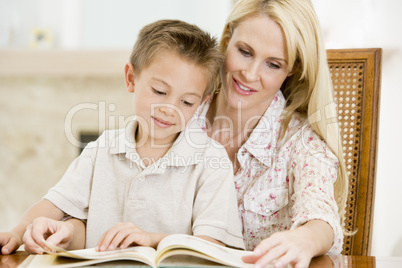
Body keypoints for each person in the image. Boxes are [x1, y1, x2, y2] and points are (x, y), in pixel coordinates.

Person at [0, 19, 245, 255]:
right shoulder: (102, 150)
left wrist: (152, 240)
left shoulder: (211, 160)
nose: (170, 108)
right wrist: (17, 233)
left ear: (202, 104)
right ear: (131, 78)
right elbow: (54, 205)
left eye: (187, 101)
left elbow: (213, 247)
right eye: (159, 91)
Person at [195, 0, 349, 267]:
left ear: (293, 70)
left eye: (273, 64)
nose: (250, 74)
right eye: (244, 51)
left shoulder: (302, 142)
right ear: (228, 38)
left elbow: (321, 218)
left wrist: (305, 238)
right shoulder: (184, 111)